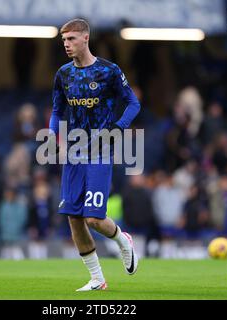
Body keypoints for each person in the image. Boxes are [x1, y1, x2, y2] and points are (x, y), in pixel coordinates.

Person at [49, 19, 141, 291]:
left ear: (86, 38)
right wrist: (54, 137)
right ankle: (97, 279)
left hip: (101, 151)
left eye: (72, 39)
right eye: (64, 40)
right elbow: (57, 111)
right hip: (74, 154)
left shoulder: (108, 71)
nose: (67, 44)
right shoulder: (63, 74)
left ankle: (123, 241)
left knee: (93, 218)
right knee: (74, 218)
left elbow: (133, 104)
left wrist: (118, 127)